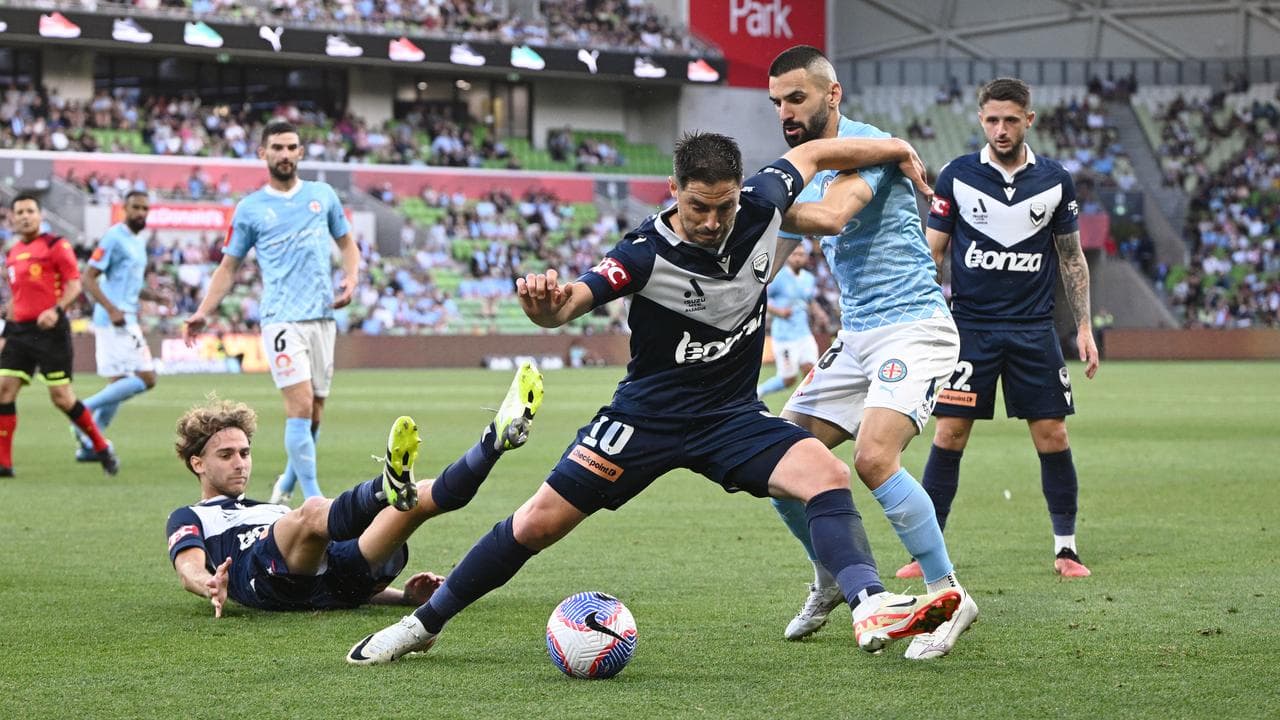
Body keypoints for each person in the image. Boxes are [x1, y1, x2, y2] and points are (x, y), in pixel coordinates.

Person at [345, 130, 963, 666]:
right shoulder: (641, 254)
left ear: (740, 190)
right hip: (645, 419)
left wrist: (898, 149)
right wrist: (544, 309)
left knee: (827, 474)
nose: (713, 222)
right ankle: (422, 625)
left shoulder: (766, 200)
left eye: (723, 207)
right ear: (674, 190)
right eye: (698, 207)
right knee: (538, 522)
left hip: (731, 417)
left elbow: (817, 151)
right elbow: (571, 303)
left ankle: (868, 602)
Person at [765, 45, 977, 660]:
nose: (785, 111)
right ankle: (831, 575)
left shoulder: (869, 146)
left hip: (914, 327)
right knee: (781, 461)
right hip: (857, 336)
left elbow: (831, 217)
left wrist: (749, 205)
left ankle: (949, 594)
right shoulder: (796, 167)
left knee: (874, 457)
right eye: (777, 101)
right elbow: (770, 261)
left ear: (832, 95)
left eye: (796, 98)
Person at [900, 77, 1100, 584]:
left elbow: (1072, 259)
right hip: (971, 330)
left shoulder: (1056, 179)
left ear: (1028, 120)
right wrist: (925, 318)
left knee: (1052, 435)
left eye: (1011, 119)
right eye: (992, 119)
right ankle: (927, 550)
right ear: (980, 119)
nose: (1001, 129)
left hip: (1034, 331)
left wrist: (1085, 328)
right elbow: (934, 252)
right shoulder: (957, 176)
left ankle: (1066, 548)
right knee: (949, 433)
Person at [167, 363, 544, 616]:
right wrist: (208, 584)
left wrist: (405, 598)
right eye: (227, 454)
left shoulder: (270, 508)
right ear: (197, 463)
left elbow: (323, 576)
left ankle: (491, 445)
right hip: (260, 577)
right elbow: (188, 568)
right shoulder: (192, 515)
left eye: (245, 452)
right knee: (314, 511)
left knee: (414, 502)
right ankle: (384, 488)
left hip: (329, 582)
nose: (240, 462)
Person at [184, 120, 360, 503]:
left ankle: (286, 484)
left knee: (314, 412)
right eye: (276, 147)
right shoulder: (250, 209)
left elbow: (347, 244)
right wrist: (203, 311)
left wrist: (351, 277)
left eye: (291, 147)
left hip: (322, 317)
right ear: (262, 153)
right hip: (281, 318)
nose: (284, 154)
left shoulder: (322, 195)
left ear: (300, 152)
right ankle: (314, 500)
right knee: (298, 405)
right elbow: (228, 266)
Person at [0, 193, 118, 476]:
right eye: (20, 212)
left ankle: (102, 448)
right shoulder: (13, 252)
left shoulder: (56, 245)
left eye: (30, 210)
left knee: (61, 397)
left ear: (40, 216)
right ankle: (4, 464)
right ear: (12, 218)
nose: (25, 216)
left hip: (50, 331)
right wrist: (6, 328)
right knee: (4, 390)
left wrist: (57, 310)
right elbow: (16, 298)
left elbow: (74, 285)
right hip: (19, 332)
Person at [71, 191, 165, 461]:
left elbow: (130, 286)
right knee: (147, 378)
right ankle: (83, 410)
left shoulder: (138, 241)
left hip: (126, 316)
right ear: (125, 208)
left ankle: (92, 444)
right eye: (135, 207)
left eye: (145, 208)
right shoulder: (114, 237)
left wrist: (153, 296)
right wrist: (111, 308)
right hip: (115, 320)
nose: (141, 213)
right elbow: (88, 278)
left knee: (121, 383)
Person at [757, 242, 824, 399]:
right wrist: (778, 311)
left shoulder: (809, 278)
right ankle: (758, 392)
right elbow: (760, 297)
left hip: (804, 334)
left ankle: (805, 404)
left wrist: (820, 313)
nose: (797, 258)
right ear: (788, 257)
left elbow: (809, 300)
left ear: (806, 257)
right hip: (784, 336)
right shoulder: (777, 277)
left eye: (801, 255)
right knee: (788, 379)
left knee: (811, 370)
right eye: (794, 255)